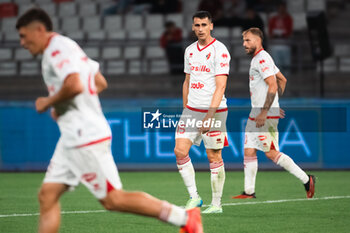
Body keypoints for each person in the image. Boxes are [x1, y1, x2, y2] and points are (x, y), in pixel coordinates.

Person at [16, 8, 203, 233]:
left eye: (24, 36)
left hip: (84, 137)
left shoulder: (55, 50)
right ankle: (184, 217)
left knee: (113, 199)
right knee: (47, 195)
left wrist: (49, 102)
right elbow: (99, 82)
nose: (22, 43)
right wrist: (63, 105)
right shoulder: (68, 46)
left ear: (39, 30)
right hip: (72, 137)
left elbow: (75, 85)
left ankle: (184, 217)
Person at [232, 27, 315, 199]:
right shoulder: (261, 58)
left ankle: (307, 179)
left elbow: (273, 84)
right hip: (258, 112)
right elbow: (282, 79)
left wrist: (266, 111)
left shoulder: (262, 59)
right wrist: (274, 105)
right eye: (244, 40)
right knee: (249, 150)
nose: (244, 44)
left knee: (271, 153)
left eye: (247, 40)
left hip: (262, 114)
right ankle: (249, 191)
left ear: (258, 40)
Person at [175, 11, 231, 214]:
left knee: (213, 156)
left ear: (211, 26)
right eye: (196, 25)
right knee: (180, 151)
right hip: (191, 110)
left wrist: (209, 116)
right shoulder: (189, 50)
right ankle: (194, 197)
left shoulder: (220, 50)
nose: (200, 29)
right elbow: (187, 81)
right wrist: (185, 109)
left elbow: (221, 86)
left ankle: (216, 204)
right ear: (192, 27)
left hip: (214, 112)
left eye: (204, 25)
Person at [268, 2, 293, 73]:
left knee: (287, 67)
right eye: (280, 8)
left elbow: (289, 32)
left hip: (285, 46)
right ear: (278, 9)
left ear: (285, 9)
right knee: (276, 68)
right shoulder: (273, 19)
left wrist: (280, 34)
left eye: (283, 8)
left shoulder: (288, 19)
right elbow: (270, 33)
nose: (281, 10)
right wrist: (279, 34)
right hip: (275, 46)